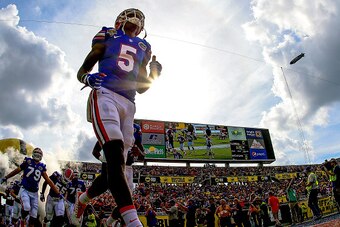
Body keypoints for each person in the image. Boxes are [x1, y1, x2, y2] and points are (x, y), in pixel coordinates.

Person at [75, 8, 162, 227]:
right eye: (131, 14)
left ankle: (83, 199)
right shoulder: (107, 34)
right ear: (119, 20)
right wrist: (87, 77)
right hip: (105, 94)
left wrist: (154, 74)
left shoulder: (144, 47)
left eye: (140, 16)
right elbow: (83, 69)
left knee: (112, 173)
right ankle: (133, 223)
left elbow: (142, 87)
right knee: (114, 154)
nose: (136, 18)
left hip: (129, 104)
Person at [0, 148, 60, 227]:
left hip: (34, 193)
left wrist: (57, 192)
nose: (37, 156)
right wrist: (6, 177)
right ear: (33, 154)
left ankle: (24, 220)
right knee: (27, 207)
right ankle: (21, 219)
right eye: (36, 154)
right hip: (25, 190)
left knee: (33, 217)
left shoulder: (41, 166)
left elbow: (48, 180)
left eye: (39, 154)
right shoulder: (28, 161)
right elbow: (17, 170)